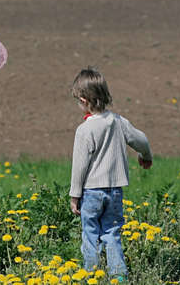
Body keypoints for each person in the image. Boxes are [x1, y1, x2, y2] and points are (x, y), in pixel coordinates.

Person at [69, 67, 152, 281]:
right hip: (115, 191)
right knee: (112, 234)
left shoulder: (84, 130)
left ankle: (92, 275)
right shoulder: (117, 121)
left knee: (90, 235)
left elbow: (79, 166)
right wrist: (146, 155)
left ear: (84, 100)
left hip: (91, 193)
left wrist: (74, 195)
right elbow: (140, 139)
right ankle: (119, 276)